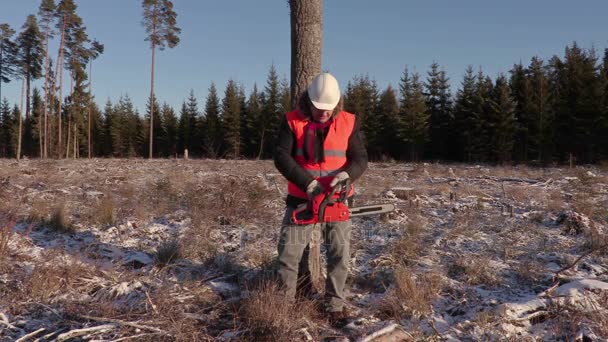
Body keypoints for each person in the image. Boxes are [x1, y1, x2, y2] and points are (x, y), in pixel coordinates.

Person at [273, 72, 368, 326]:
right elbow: (281, 157)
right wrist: (309, 183)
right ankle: (284, 306)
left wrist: (346, 175)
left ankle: (334, 305)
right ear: (309, 101)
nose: (324, 113)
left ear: (337, 103)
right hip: (301, 199)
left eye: (329, 109)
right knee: (289, 255)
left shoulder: (348, 122)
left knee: (339, 254)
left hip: (337, 201)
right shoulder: (292, 121)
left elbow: (361, 159)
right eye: (319, 108)